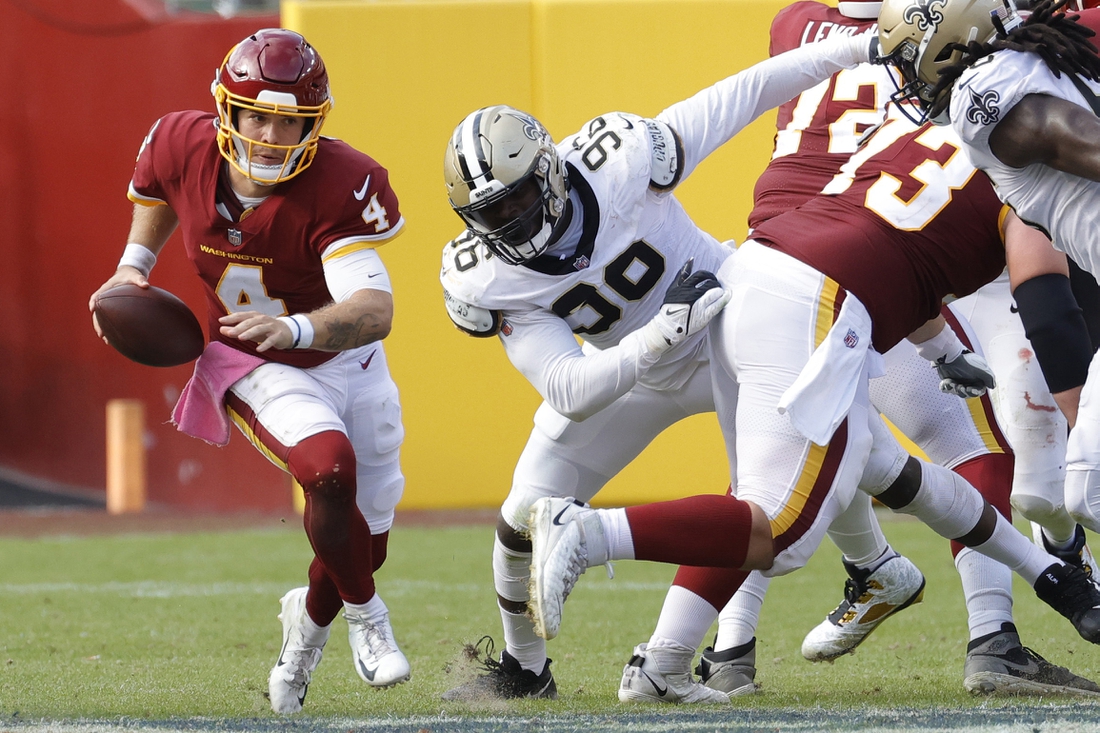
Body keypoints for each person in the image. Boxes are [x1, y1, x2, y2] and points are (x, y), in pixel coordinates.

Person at [526, 108, 1100, 701]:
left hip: (752, 273)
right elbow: (1050, 311)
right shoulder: (1028, 164)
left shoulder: (923, 125)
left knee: (878, 468)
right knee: (779, 530)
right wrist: (1086, 430)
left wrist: (943, 350)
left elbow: (889, 239)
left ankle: (662, 666)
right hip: (819, 306)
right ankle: (589, 532)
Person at [437, 31, 889, 703]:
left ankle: (846, 581)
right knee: (522, 516)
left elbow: (743, 94)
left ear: (550, 166)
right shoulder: (483, 277)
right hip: (633, 370)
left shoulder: (617, 157)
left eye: (518, 196)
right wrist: (652, 341)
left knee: (771, 492)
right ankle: (523, 669)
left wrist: (851, 52)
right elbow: (567, 387)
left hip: (730, 333)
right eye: (491, 213)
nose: (513, 219)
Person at [692, 0, 1100, 700]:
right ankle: (993, 624)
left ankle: (736, 641)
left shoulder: (803, 28)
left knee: (790, 466)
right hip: (862, 270)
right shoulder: (984, 83)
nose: (913, 92)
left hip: (780, 259)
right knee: (974, 456)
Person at [88, 29, 410, 714]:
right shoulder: (180, 142)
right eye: (256, 115)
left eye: (288, 121)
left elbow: (374, 309)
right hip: (255, 362)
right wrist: (129, 273)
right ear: (225, 110)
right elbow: (156, 196)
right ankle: (370, 621)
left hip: (347, 355)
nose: (268, 135)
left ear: (314, 125)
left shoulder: (341, 183)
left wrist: (295, 326)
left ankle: (305, 636)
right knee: (327, 467)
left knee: (366, 543)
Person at [876, 0, 1100, 530]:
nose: (906, 75)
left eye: (909, 57)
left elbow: (1067, 134)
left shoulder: (987, 94)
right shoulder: (1045, 48)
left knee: (1090, 487)